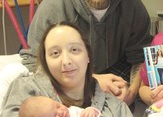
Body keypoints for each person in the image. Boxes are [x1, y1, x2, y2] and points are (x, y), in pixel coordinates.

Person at [20, 0, 152, 105]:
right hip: (69, 77)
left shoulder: (133, 7)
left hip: (117, 73)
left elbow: (141, 57)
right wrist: (92, 80)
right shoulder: (54, 7)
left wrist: (132, 93)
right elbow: (34, 63)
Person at [2, 22, 133, 117]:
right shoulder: (26, 93)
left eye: (75, 50)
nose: (66, 61)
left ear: (88, 55)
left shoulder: (115, 108)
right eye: (55, 53)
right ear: (46, 61)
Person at [19, 96, 101, 117]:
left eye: (58, 106)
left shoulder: (72, 111)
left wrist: (91, 110)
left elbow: (96, 114)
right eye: (54, 116)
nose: (61, 112)